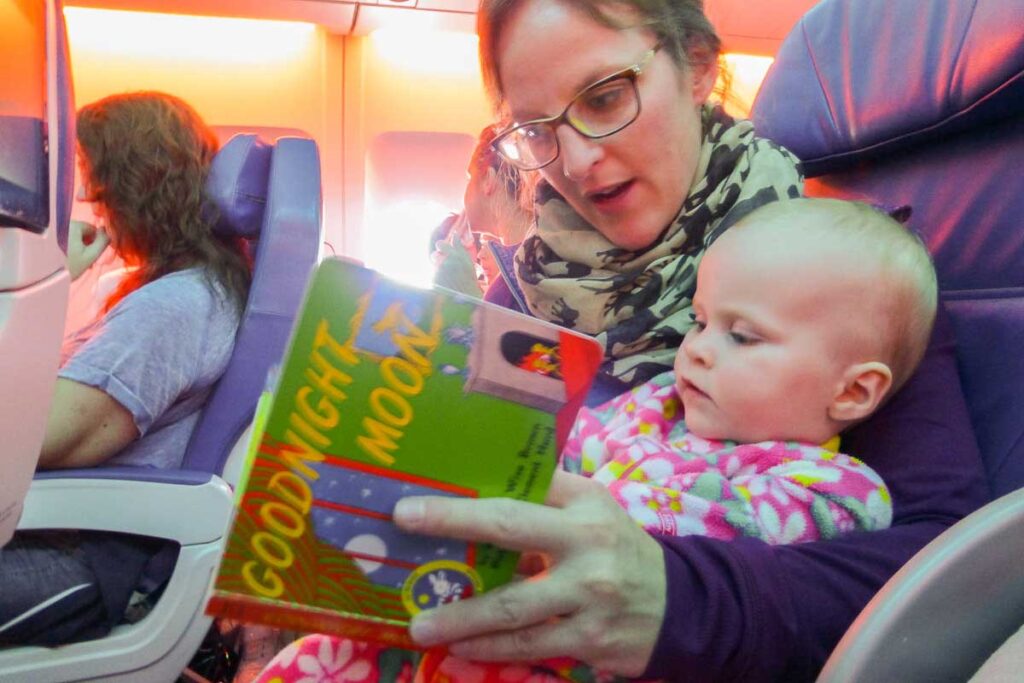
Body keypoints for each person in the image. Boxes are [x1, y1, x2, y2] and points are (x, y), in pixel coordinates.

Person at [254, 0, 988, 680]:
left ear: (697, 64)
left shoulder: (840, 280)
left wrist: (674, 598)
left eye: (604, 98)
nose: (572, 163)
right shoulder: (530, 284)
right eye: (538, 130)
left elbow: (944, 564)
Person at [252, 197, 935, 682]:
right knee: (324, 650)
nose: (696, 350)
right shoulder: (654, 407)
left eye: (741, 335)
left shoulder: (831, 488)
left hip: (589, 653)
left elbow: (731, 531)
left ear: (851, 392)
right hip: (485, 610)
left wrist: (565, 513)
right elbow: (562, 451)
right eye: (698, 321)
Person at [0, 91, 250, 646]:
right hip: (55, 530)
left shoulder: (177, 306)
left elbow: (33, 440)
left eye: (99, 189)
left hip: (85, 557)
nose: (97, 206)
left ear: (135, 189)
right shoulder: (177, 290)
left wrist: (49, 279)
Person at [432, 124, 531, 296]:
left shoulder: (521, 273)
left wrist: (466, 298)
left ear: (488, 179)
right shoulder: (519, 263)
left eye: (470, 178)